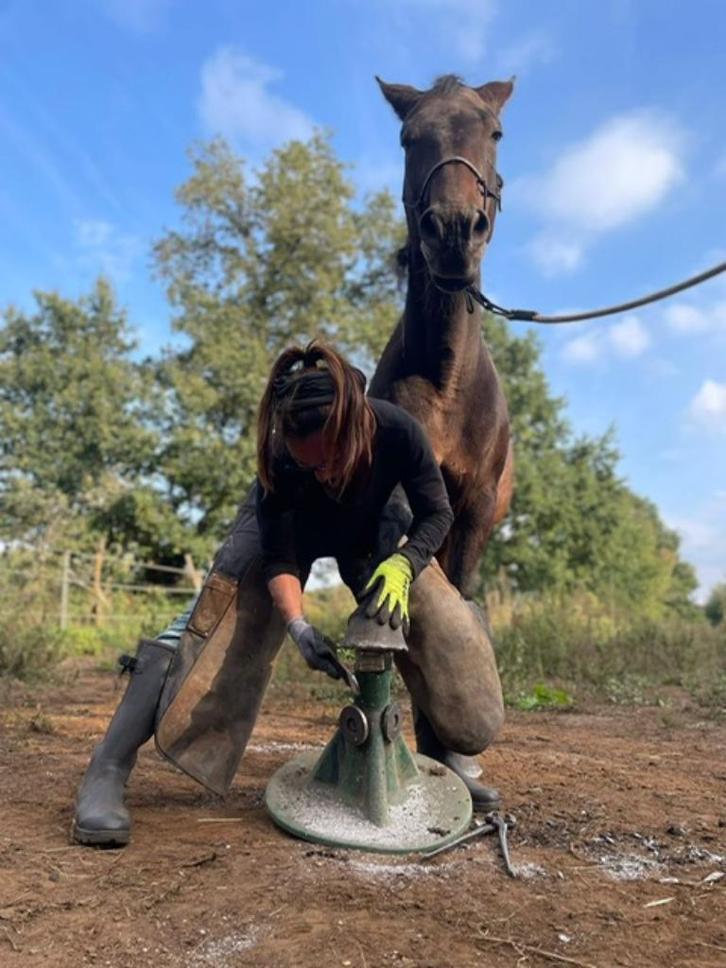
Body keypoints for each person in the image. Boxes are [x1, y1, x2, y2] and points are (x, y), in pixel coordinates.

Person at [72, 340, 500, 848]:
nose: (322, 474)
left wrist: (405, 565)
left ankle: (445, 750)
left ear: (356, 426)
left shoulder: (397, 430)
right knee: (208, 626)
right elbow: (280, 558)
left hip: (372, 530)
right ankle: (108, 769)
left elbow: (437, 514)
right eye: (309, 466)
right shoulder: (282, 460)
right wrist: (297, 626)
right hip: (289, 534)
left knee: (430, 610)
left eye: (331, 460)